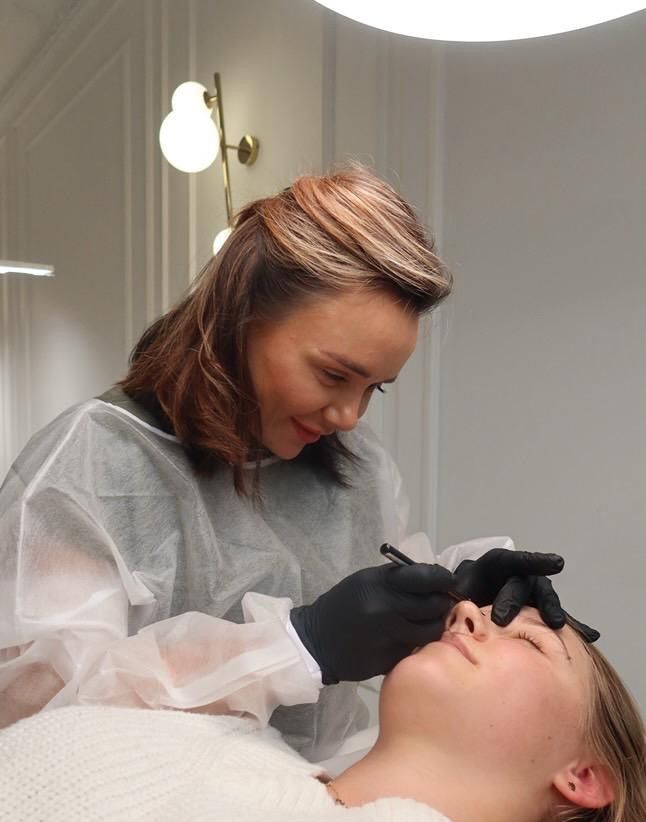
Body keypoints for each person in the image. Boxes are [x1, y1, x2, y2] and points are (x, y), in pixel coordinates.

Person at [0, 164, 572, 758]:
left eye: (375, 387)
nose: (350, 416)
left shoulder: (353, 465)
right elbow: (40, 710)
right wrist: (298, 646)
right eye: (333, 374)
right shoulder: (91, 467)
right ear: (240, 318)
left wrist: (461, 587)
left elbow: (372, 600)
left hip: (318, 809)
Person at [0, 601, 643, 822]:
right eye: (477, 607)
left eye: (528, 642)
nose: (469, 612)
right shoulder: (188, 742)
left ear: (583, 777)